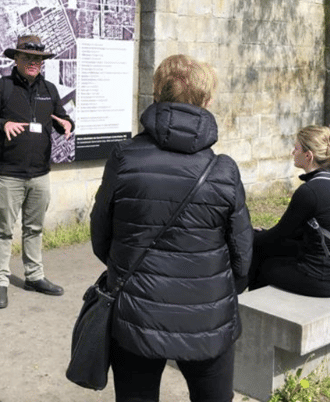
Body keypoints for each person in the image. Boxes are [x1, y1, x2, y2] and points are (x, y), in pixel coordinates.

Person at [90, 54, 253, 402]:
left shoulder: (124, 157)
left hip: (137, 312)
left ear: (155, 97)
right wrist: (215, 291)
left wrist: (130, 268)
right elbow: (242, 256)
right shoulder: (224, 170)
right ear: (207, 102)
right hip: (208, 317)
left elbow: (100, 237)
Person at [0, 35, 74, 309]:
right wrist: (3, 125)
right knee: (4, 230)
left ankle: (34, 276)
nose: (34, 63)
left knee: (34, 228)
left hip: (40, 173)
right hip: (9, 173)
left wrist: (67, 125)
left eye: (38, 59)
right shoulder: (1, 87)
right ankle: (1, 283)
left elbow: (62, 118)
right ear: (16, 59)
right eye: (28, 58)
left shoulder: (50, 89)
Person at [248, 125, 330, 297]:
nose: (292, 152)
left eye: (296, 148)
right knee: (271, 247)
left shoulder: (310, 191)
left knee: (263, 262)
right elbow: (296, 232)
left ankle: (256, 315)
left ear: (308, 156)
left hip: (322, 280)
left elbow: (279, 234)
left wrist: (250, 236)